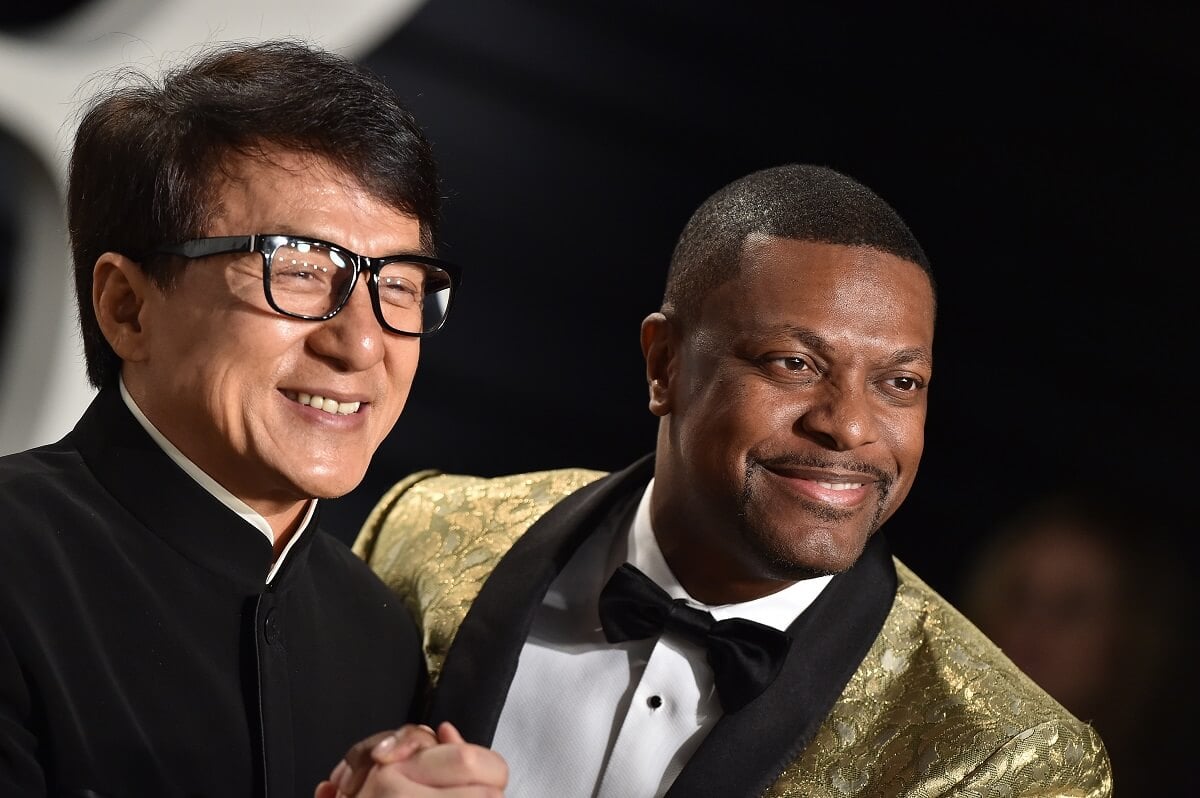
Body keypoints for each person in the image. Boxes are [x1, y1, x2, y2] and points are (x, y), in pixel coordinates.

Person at [340, 163, 1112, 796]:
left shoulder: (1015, 758)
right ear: (663, 364)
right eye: (794, 364)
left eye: (899, 384)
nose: (847, 426)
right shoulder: (425, 534)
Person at [0, 40, 505, 797]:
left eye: (399, 284)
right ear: (126, 308)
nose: (361, 342)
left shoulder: (379, 636)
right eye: (298, 270)